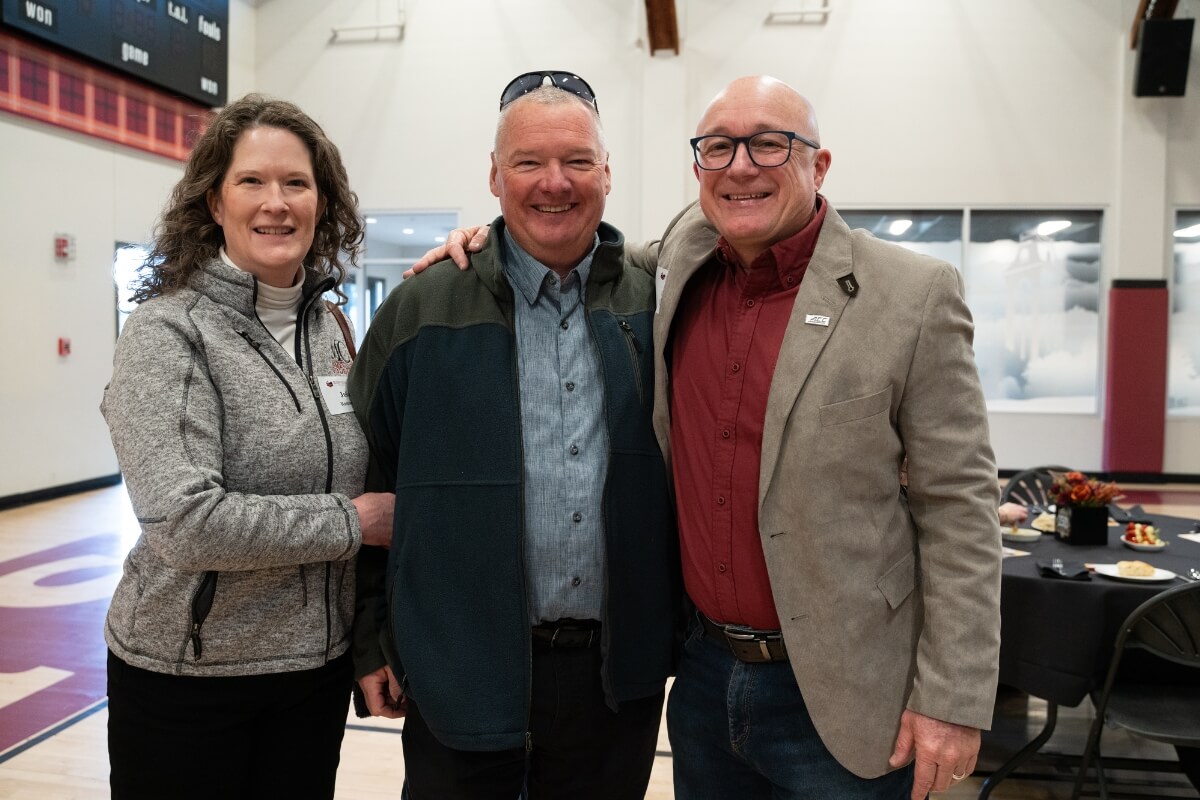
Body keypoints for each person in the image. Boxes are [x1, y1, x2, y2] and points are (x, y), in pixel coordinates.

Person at [418, 74, 1002, 800]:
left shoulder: (911, 295)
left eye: (769, 144)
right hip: (702, 681)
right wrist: (485, 239)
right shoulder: (680, 259)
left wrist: (952, 696)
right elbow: (563, 234)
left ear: (818, 166)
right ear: (699, 169)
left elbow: (961, 507)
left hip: (847, 692)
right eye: (718, 147)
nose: (741, 166)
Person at [347, 72, 678, 800]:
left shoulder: (659, 306)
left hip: (613, 681)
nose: (553, 183)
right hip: (456, 665)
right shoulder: (420, 309)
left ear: (608, 174)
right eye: (528, 162)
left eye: (577, 161)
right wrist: (370, 637)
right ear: (494, 178)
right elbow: (367, 480)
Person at [100, 94, 394, 800]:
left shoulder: (331, 330)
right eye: (252, 182)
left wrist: (365, 643)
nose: (277, 203)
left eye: (296, 183)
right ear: (214, 200)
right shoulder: (168, 333)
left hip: (310, 675)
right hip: (189, 678)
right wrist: (357, 523)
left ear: (323, 203)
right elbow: (184, 521)